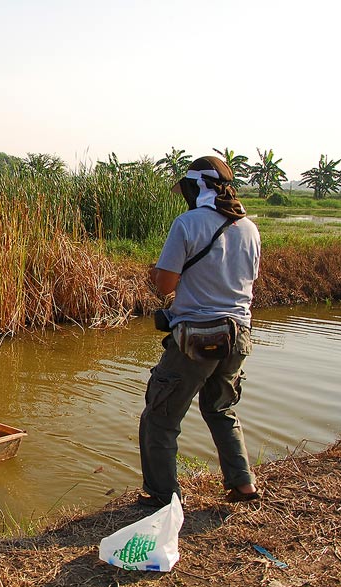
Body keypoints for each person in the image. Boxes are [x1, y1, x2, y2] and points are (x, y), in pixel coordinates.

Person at [137, 155, 261, 508]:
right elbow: (247, 281)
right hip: (239, 336)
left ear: (196, 188)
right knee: (221, 410)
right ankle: (242, 484)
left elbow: (165, 284)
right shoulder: (249, 228)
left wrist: (157, 274)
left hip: (197, 338)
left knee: (159, 417)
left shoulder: (188, 223)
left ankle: (163, 496)